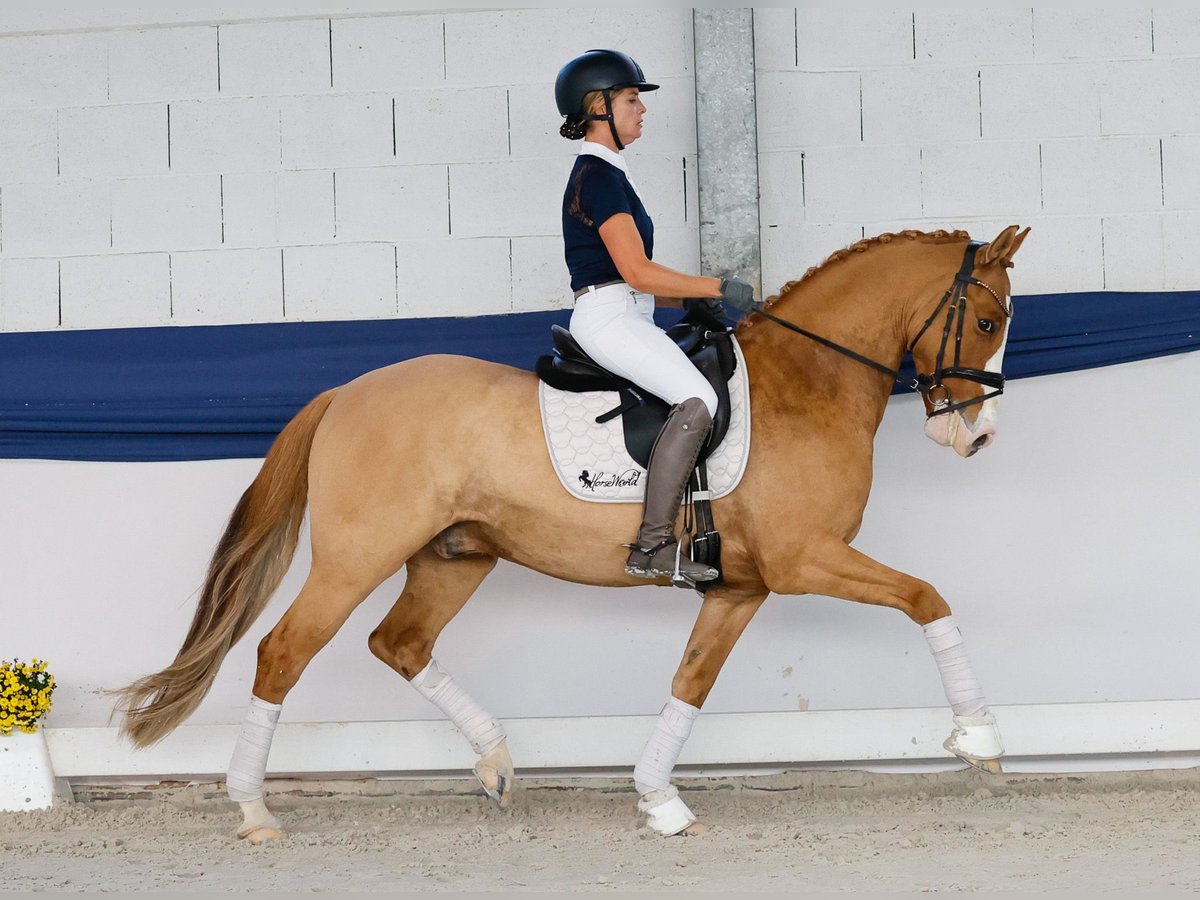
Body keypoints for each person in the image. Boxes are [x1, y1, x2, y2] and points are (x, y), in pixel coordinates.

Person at [554, 48, 757, 584]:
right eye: (630, 98)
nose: (641, 108)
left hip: (625, 311)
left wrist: (692, 300)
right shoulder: (599, 177)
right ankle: (653, 547)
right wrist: (716, 284)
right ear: (598, 107)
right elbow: (638, 272)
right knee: (700, 399)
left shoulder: (610, 174)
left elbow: (633, 280)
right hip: (609, 318)